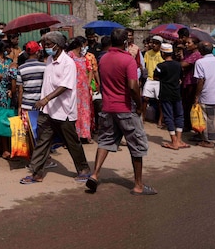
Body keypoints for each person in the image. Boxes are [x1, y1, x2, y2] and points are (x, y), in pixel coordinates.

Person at [87, 28, 155, 196]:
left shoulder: (103, 59)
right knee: (136, 145)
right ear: (125, 42)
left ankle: (95, 174)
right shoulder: (128, 60)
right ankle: (138, 185)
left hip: (108, 107)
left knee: (105, 141)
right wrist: (139, 106)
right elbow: (133, 86)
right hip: (125, 108)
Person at [20, 31, 90, 185]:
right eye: (44, 45)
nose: (46, 48)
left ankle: (83, 169)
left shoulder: (68, 63)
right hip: (48, 111)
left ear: (58, 46)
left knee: (72, 142)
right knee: (42, 142)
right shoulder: (50, 60)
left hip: (63, 110)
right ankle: (36, 173)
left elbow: (64, 86)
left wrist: (46, 99)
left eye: (49, 45)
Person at [155, 43, 187, 150]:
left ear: (162, 53)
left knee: (168, 116)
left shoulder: (160, 66)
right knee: (179, 115)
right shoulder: (178, 65)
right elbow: (180, 78)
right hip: (176, 93)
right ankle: (179, 139)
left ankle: (174, 141)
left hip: (165, 93)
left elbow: (156, 77)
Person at [68, 36, 95, 143]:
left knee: (84, 112)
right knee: (73, 112)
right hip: (73, 88)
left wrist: (88, 84)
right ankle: (74, 136)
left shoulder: (84, 57)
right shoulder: (70, 56)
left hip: (83, 90)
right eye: (84, 45)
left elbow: (90, 70)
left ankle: (85, 134)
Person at [0, 40, 16, 158]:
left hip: (9, 93)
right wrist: (8, 76)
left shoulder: (10, 61)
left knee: (8, 118)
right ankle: (2, 147)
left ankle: (9, 146)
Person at [179, 36, 202, 132]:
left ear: (195, 45)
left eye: (189, 43)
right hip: (187, 80)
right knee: (186, 103)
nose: (186, 45)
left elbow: (183, 65)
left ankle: (189, 125)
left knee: (189, 103)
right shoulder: (189, 54)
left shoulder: (196, 55)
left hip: (192, 82)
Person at [15, 41, 45, 112]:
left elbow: (20, 90)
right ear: (37, 52)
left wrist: (19, 107)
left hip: (26, 105)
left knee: (28, 123)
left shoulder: (21, 68)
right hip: (41, 105)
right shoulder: (44, 67)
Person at [142, 35, 164, 126]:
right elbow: (145, 65)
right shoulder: (148, 53)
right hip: (150, 79)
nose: (154, 45)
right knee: (145, 98)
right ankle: (143, 117)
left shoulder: (162, 54)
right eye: (153, 43)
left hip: (159, 80)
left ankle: (160, 120)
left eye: (156, 43)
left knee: (160, 101)